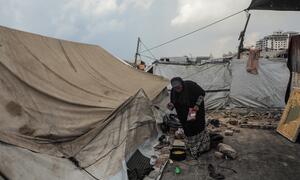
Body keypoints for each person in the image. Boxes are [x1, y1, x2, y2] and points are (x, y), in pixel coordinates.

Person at [167, 77, 210, 159]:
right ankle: (192, 148)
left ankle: (201, 148)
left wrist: (197, 105)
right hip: (183, 114)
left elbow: (202, 94)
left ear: (182, 84)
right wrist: (171, 105)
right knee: (187, 129)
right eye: (175, 88)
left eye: (179, 87)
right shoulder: (173, 91)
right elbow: (173, 102)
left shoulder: (191, 85)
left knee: (197, 127)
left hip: (194, 110)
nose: (177, 89)